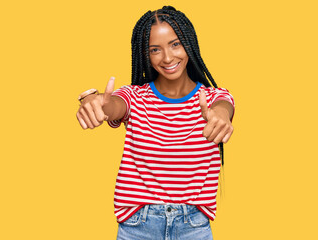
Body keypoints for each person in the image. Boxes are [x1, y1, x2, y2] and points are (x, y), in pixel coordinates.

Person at [76, 5, 235, 240]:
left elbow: (224, 108)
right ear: (145, 55)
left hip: (193, 226)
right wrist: (94, 100)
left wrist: (220, 115)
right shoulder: (134, 97)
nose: (168, 57)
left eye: (175, 44)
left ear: (189, 44)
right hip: (138, 225)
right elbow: (113, 106)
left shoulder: (213, 99)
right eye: (155, 49)